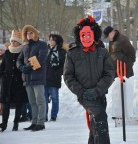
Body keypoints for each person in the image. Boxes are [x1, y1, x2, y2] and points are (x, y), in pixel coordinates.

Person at [63, 15, 114, 144]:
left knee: (95, 125)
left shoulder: (102, 52)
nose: (86, 38)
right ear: (79, 36)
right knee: (101, 118)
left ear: (94, 35)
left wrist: (98, 90)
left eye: (89, 34)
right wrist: (81, 91)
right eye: (83, 35)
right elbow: (68, 76)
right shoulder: (72, 53)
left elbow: (109, 74)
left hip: (100, 94)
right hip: (84, 95)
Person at [17, 25, 48, 131]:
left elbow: (41, 59)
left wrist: (26, 67)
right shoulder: (25, 47)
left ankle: (41, 123)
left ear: (35, 33)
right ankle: (34, 122)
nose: (28, 35)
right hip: (27, 79)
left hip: (38, 78)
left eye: (31, 33)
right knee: (32, 102)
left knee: (40, 101)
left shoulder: (42, 45)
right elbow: (19, 60)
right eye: (27, 33)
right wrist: (21, 67)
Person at [0, 30, 28, 132]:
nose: (12, 43)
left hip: (18, 83)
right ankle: (4, 123)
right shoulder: (7, 52)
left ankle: (16, 123)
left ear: (19, 43)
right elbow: (2, 67)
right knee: (6, 103)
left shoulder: (23, 53)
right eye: (12, 41)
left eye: (15, 42)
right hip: (7, 83)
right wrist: (2, 76)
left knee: (18, 104)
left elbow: (25, 66)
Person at [45, 34, 66, 121]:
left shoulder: (62, 52)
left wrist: (57, 74)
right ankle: (44, 116)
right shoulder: (46, 50)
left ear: (57, 41)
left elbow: (64, 66)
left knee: (55, 98)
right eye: (50, 39)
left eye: (53, 40)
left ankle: (53, 115)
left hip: (54, 79)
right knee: (44, 99)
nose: (51, 41)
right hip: (45, 78)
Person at [0, 44, 6, 116]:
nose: (0, 51)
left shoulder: (5, 57)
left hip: (3, 78)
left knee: (2, 94)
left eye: (1, 50)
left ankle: (2, 109)